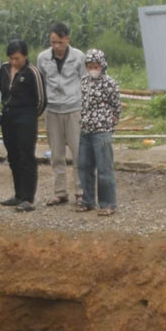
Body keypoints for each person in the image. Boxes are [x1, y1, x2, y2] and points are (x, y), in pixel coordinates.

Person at [38, 21, 85, 206]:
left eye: (60, 42)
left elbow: (85, 81)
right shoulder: (43, 58)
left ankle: (81, 192)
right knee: (56, 154)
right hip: (53, 111)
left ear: (67, 39)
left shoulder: (79, 57)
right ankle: (60, 192)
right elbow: (41, 82)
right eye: (53, 42)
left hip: (74, 109)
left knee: (79, 152)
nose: (56, 46)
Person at [0, 39, 44, 211]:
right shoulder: (3, 69)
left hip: (26, 117)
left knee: (26, 156)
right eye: (11, 58)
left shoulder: (32, 72)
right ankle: (18, 194)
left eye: (17, 58)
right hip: (8, 116)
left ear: (25, 56)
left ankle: (28, 198)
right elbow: (3, 91)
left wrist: (30, 116)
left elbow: (41, 100)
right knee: (13, 155)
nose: (13, 62)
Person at [77, 47, 122, 215]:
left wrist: (111, 122)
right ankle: (88, 201)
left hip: (102, 130)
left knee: (104, 169)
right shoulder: (84, 81)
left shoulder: (109, 83)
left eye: (96, 65)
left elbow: (116, 105)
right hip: (85, 129)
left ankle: (108, 204)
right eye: (90, 65)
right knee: (84, 166)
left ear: (102, 65)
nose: (92, 69)